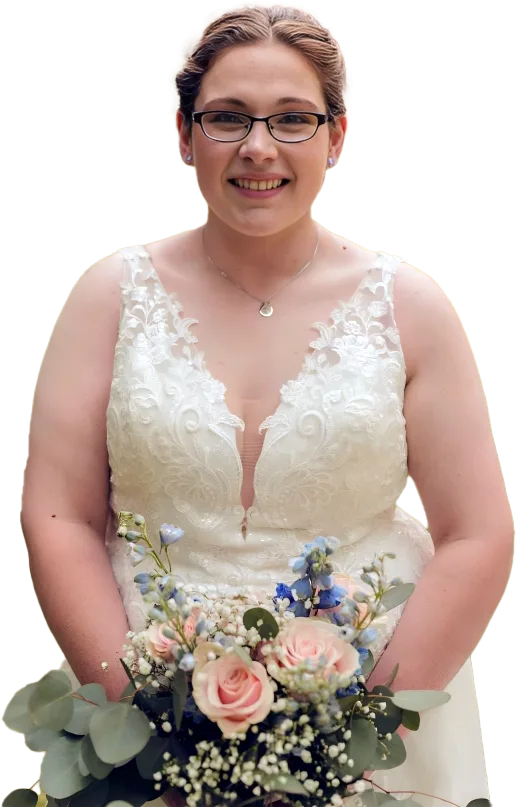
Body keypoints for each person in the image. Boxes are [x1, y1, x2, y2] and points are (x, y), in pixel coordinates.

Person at [20, 4, 513, 805]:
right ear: (185, 135)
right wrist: (149, 727)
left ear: (336, 136)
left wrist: (353, 729)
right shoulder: (111, 296)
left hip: (374, 705)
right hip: (143, 688)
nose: (258, 147)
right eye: (227, 118)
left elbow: (477, 533)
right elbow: (57, 516)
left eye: (292, 119)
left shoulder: (408, 307)